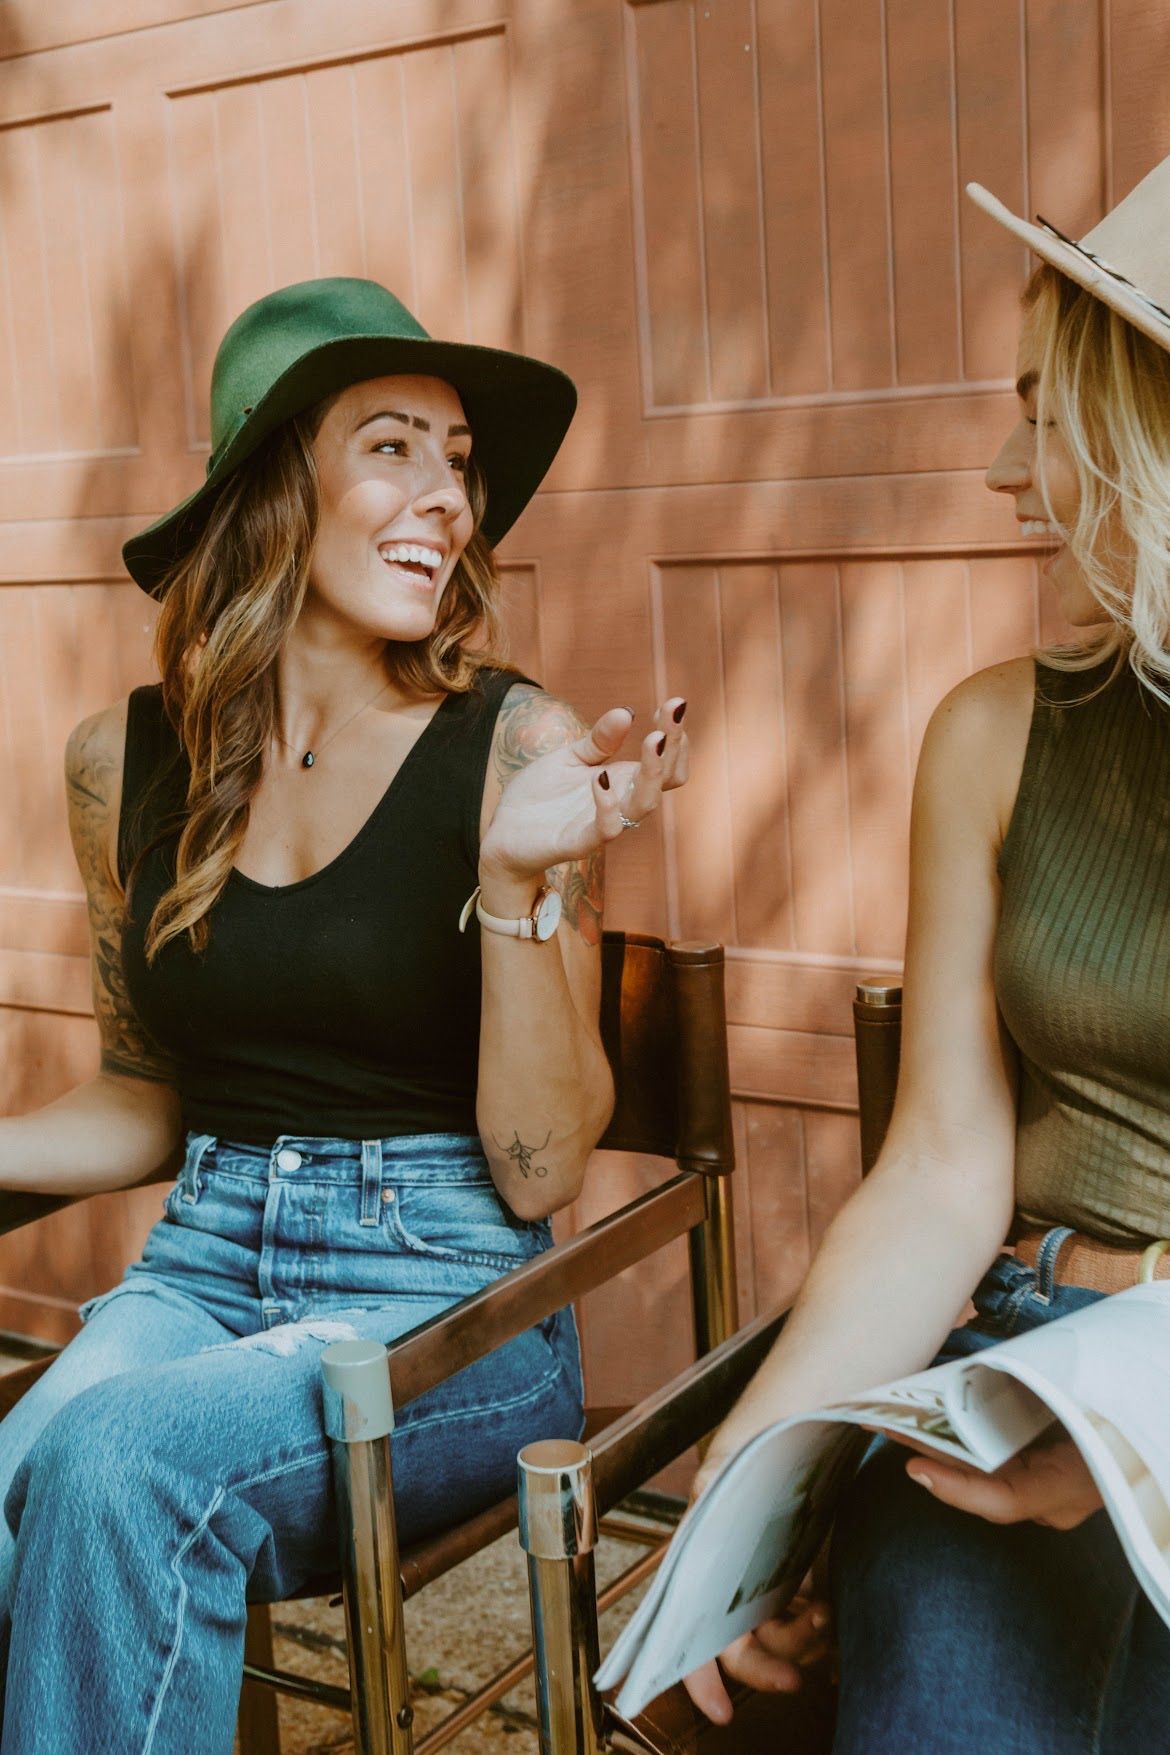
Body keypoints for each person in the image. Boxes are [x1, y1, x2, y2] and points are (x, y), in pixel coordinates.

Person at [0, 277, 689, 1752]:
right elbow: (144, 1100)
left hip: (444, 1298)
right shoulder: (123, 763)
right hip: (200, 1266)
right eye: (392, 447)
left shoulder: (515, 744)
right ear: (270, 489)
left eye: (457, 461)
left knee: (119, 1466)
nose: (446, 497)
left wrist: (517, 881)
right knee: (17, 1482)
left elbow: (541, 1171)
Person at [684, 161, 1170, 1751]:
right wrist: (749, 1475)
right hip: (1028, 1353)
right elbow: (942, 1169)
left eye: (1046, 411)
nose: (997, 465)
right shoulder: (995, 734)